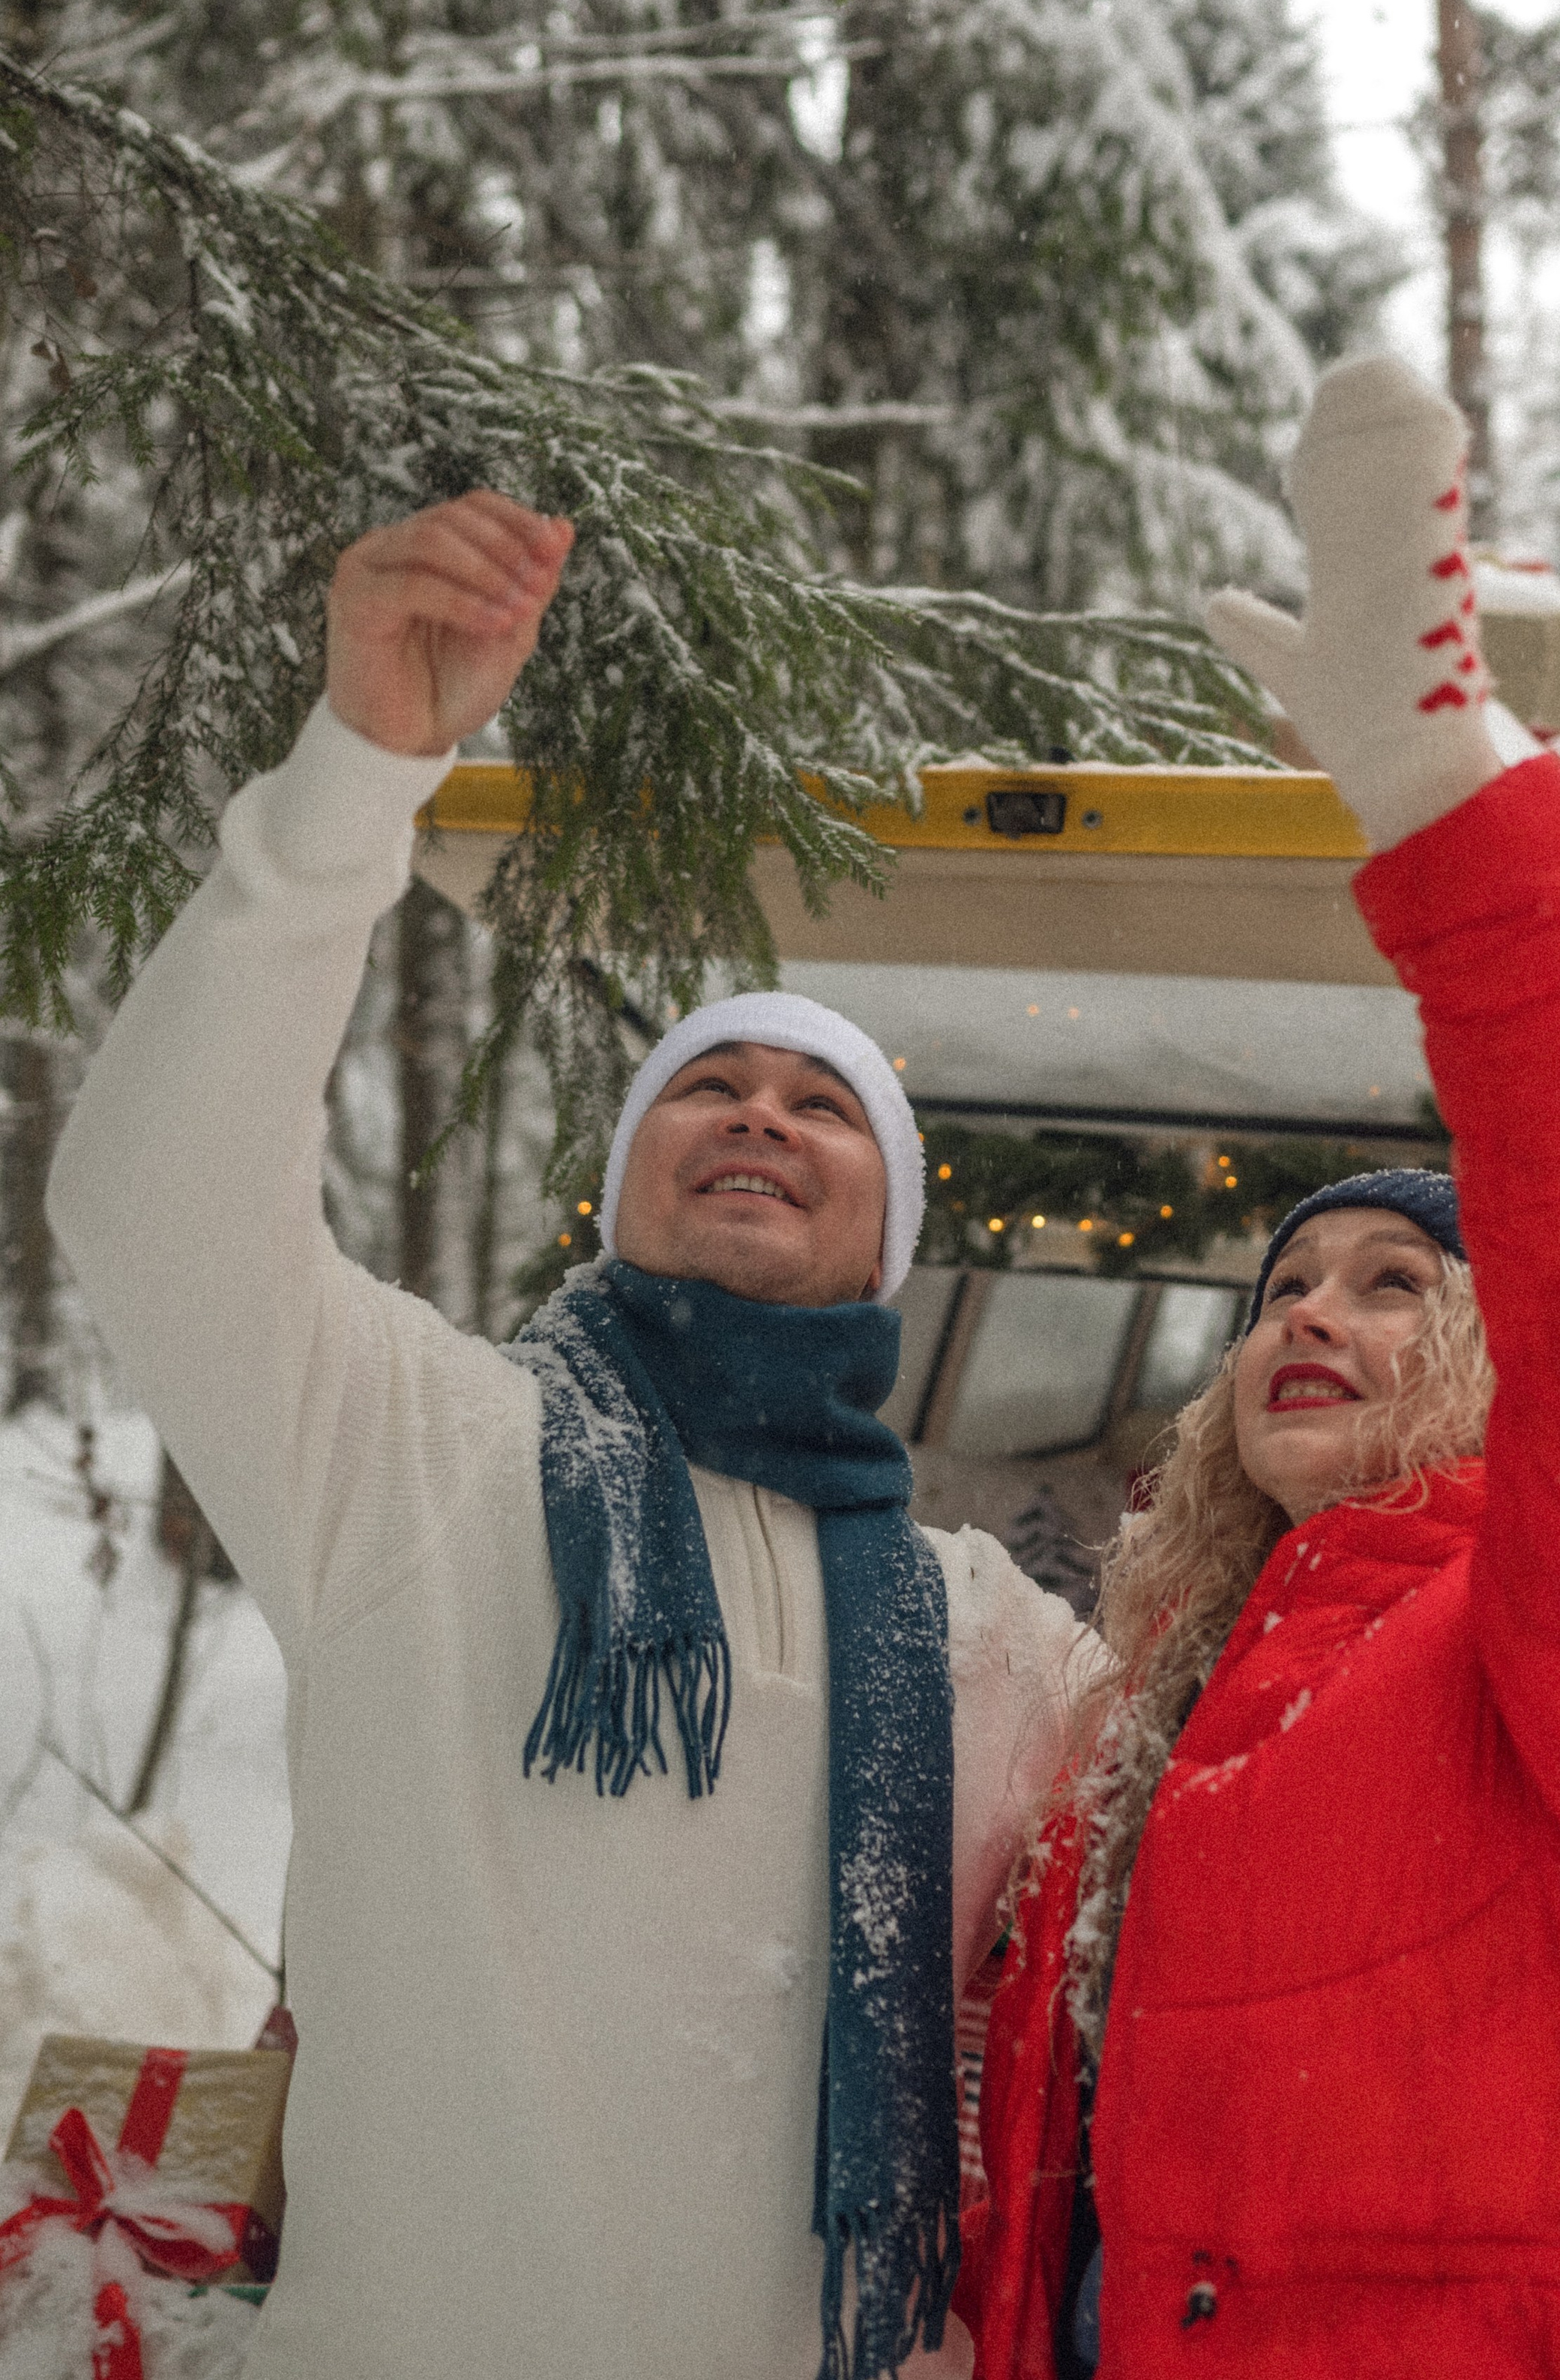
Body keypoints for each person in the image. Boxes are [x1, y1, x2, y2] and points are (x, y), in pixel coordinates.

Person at [47, 491, 1088, 2380]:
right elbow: (150, 1197)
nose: (760, 1112)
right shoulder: (416, 1448)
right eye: (707, 1083)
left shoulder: (989, 1631)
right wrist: (361, 767)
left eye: (818, 1103)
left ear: (894, 1235)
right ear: (621, 1190)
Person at [959, 358, 1560, 2380]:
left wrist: (1447, 795)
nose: (1313, 1312)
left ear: (1497, 1358)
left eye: (1394, 1281)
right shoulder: (1145, 1711)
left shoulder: (1552, 1644)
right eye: (1287, 1284)